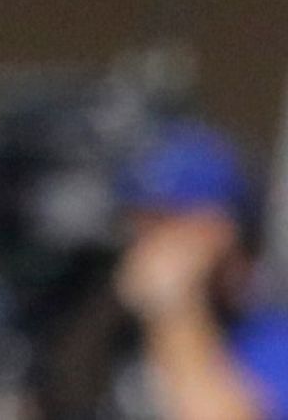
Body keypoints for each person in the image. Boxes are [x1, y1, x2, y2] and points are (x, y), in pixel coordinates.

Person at [115, 122, 288, 419]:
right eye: (141, 227)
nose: (149, 247)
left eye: (168, 223)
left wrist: (174, 307)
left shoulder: (271, 338)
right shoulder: (116, 323)